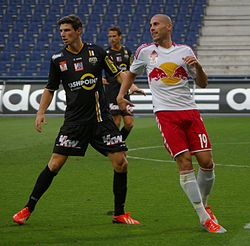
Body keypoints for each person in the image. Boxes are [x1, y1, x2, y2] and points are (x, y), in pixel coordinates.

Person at [12, 14, 139, 225]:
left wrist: (129, 87)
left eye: (67, 30)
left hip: (101, 120)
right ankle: (27, 209)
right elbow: (50, 88)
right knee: (54, 164)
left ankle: (120, 213)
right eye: (61, 31)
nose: (63, 34)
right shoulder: (57, 60)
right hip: (74, 123)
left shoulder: (97, 52)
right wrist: (40, 112)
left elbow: (118, 74)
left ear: (78, 31)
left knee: (121, 163)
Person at [116, 14, 227, 233]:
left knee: (207, 162)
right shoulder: (145, 52)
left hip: (191, 113)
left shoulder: (185, 51)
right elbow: (130, 73)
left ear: (169, 26)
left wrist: (199, 67)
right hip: (166, 115)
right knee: (185, 164)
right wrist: (121, 95)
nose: (152, 28)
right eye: (150, 25)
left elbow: (202, 84)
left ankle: (205, 205)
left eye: (156, 24)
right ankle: (204, 218)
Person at [103, 26, 144, 140]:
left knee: (129, 123)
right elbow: (95, 68)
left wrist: (131, 85)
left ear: (120, 37)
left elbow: (132, 71)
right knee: (116, 122)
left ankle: (118, 142)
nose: (112, 39)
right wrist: (99, 78)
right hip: (111, 91)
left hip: (124, 91)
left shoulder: (127, 52)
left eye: (114, 36)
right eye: (110, 36)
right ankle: (117, 146)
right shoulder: (106, 53)